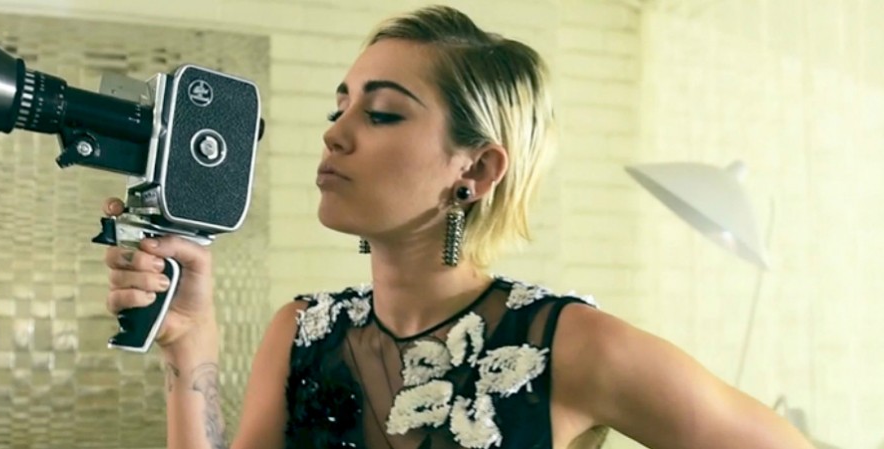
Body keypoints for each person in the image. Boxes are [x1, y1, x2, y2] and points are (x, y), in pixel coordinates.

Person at [101, 5, 814, 449]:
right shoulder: (302, 333)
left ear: (476, 169)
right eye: (338, 107)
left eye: (382, 113)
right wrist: (189, 339)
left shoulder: (567, 345)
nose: (336, 134)